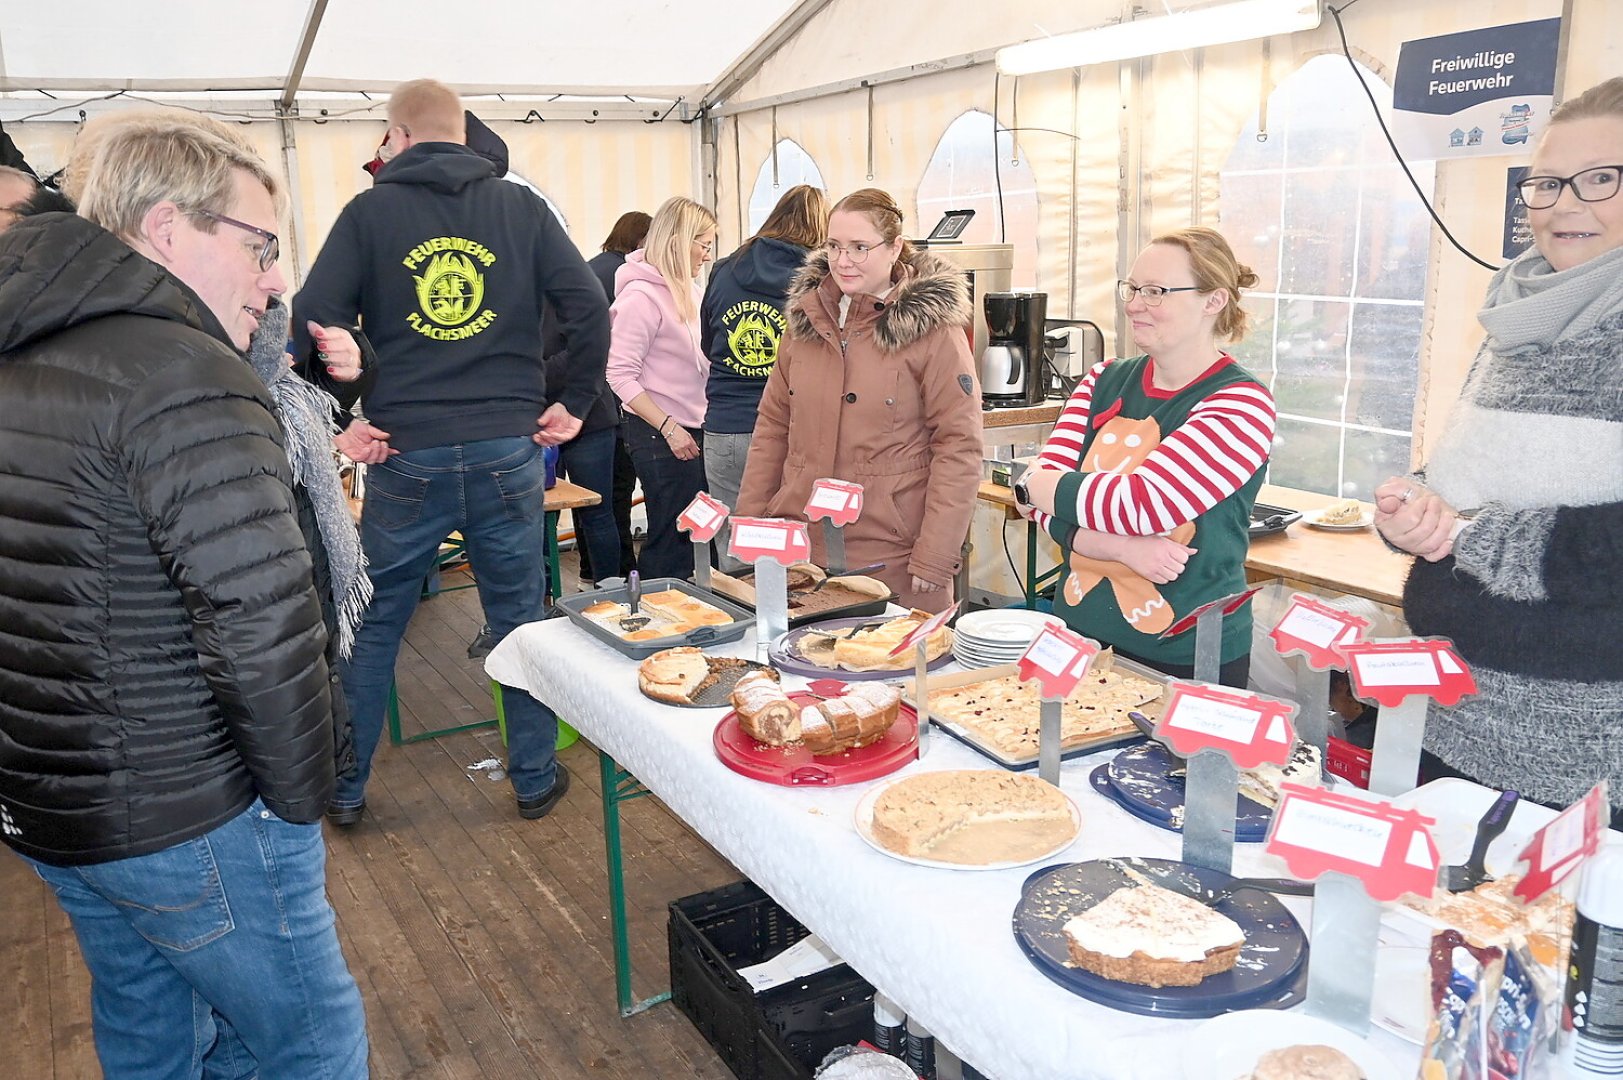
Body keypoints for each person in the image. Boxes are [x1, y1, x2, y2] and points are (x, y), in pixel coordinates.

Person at [0, 111, 368, 1078]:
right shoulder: (184, 372)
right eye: (257, 246)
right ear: (167, 230)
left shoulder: (25, 340)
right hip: (185, 804)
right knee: (309, 1047)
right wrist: (301, 804)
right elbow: (262, 624)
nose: (275, 277)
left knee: (150, 1028)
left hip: (55, 799)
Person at [291, 78, 610, 824]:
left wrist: (337, 419)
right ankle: (532, 777)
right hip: (507, 448)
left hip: (408, 451)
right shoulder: (521, 208)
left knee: (374, 627)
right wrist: (575, 401)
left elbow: (311, 319)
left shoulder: (368, 214)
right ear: (464, 137)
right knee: (517, 618)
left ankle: (344, 787)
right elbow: (589, 306)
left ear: (395, 137)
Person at [1373, 76, 1623, 817]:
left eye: (1600, 179)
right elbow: (1479, 475)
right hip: (1453, 715)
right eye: (1545, 183)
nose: (1562, 204)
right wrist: (1418, 505)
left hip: (1583, 759)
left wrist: (1470, 536)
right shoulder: (1521, 318)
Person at [1016, 228, 1276, 686]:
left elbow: (1141, 505)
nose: (1134, 303)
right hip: (1077, 636)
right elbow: (1031, 506)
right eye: (1133, 288)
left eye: (1155, 292)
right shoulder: (1102, 380)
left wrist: (1038, 486)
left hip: (1187, 651)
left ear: (1213, 301)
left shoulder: (1240, 402)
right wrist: (1120, 547)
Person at [735, 188, 983, 612]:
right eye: (833, 246)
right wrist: (751, 526)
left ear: (894, 249)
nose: (843, 260)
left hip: (891, 558)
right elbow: (773, 429)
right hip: (802, 557)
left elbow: (959, 447)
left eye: (859, 248)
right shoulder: (804, 324)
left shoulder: (934, 332)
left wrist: (937, 552)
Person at [701, 184, 827, 568]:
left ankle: (741, 622)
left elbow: (709, 341)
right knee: (791, 547)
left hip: (724, 424)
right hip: (789, 427)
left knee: (734, 547)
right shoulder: (819, 278)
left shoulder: (725, 268)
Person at [606, 195, 718, 581]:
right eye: (703, 243)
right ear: (677, 241)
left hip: (694, 427)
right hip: (659, 433)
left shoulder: (691, 290)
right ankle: (656, 613)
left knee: (699, 534)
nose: (706, 254)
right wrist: (668, 427)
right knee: (673, 536)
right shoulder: (639, 298)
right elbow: (619, 375)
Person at [588, 210, 652, 579]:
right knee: (617, 493)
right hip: (620, 401)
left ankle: (590, 571)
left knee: (594, 497)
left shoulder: (589, 267)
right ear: (643, 240)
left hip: (585, 398)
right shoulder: (632, 277)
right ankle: (622, 572)